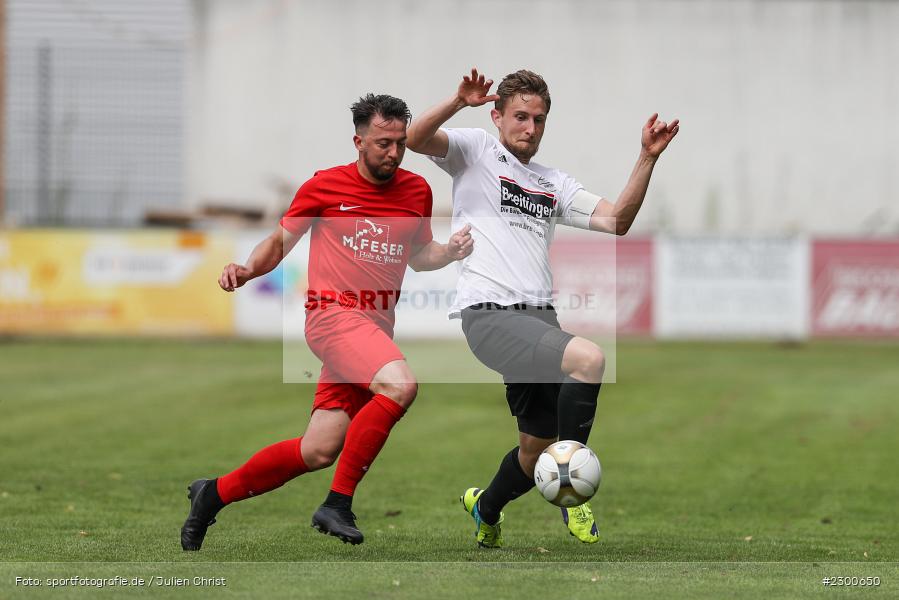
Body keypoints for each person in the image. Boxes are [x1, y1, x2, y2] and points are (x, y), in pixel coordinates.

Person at [180, 93, 473, 550]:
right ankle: (337, 503)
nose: (393, 152)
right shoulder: (324, 186)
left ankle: (211, 494)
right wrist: (246, 269)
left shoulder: (417, 190)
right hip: (332, 317)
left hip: (372, 331)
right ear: (358, 141)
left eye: (399, 143)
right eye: (382, 143)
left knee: (317, 449)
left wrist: (448, 253)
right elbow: (278, 244)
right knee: (400, 385)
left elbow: (419, 256)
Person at [406, 68, 678, 547]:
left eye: (539, 119)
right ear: (497, 116)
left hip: (537, 318)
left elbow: (617, 220)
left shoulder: (554, 183)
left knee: (534, 455)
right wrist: (456, 101)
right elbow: (414, 138)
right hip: (488, 314)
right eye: (520, 117)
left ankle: (485, 507)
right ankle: (575, 490)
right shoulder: (475, 150)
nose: (529, 128)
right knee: (589, 358)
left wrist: (646, 158)